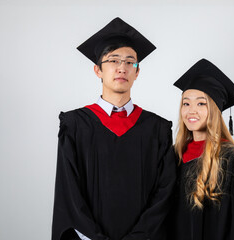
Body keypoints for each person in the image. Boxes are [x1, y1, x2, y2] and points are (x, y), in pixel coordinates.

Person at [52, 17, 176, 240]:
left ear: (137, 72)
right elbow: (68, 192)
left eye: (130, 62)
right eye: (113, 60)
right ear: (97, 70)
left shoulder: (157, 129)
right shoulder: (75, 125)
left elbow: (165, 193)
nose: (122, 68)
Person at [169, 59, 234, 240]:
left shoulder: (227, 158)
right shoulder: (175, 155)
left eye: (201, 104)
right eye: (186, 103)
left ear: (215, 109)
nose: (191, 111)